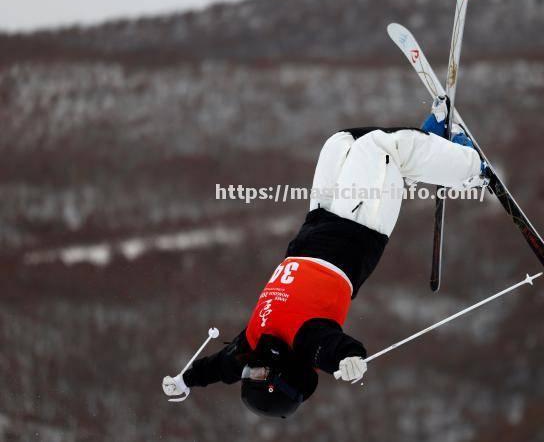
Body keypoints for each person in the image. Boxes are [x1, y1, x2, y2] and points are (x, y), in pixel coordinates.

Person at [162, 96, 487, 418]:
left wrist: (186, 380)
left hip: (317, 225)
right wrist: (348, 361)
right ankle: (471, 168)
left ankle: (429, 149)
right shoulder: (306, 341)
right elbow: (335, 349)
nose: (253, 368)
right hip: (358, 231)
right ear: (283, 376)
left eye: (249, 374)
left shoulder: (253, 343)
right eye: (260, 375)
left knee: (341, 142)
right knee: (376, 147)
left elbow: (221, 367)